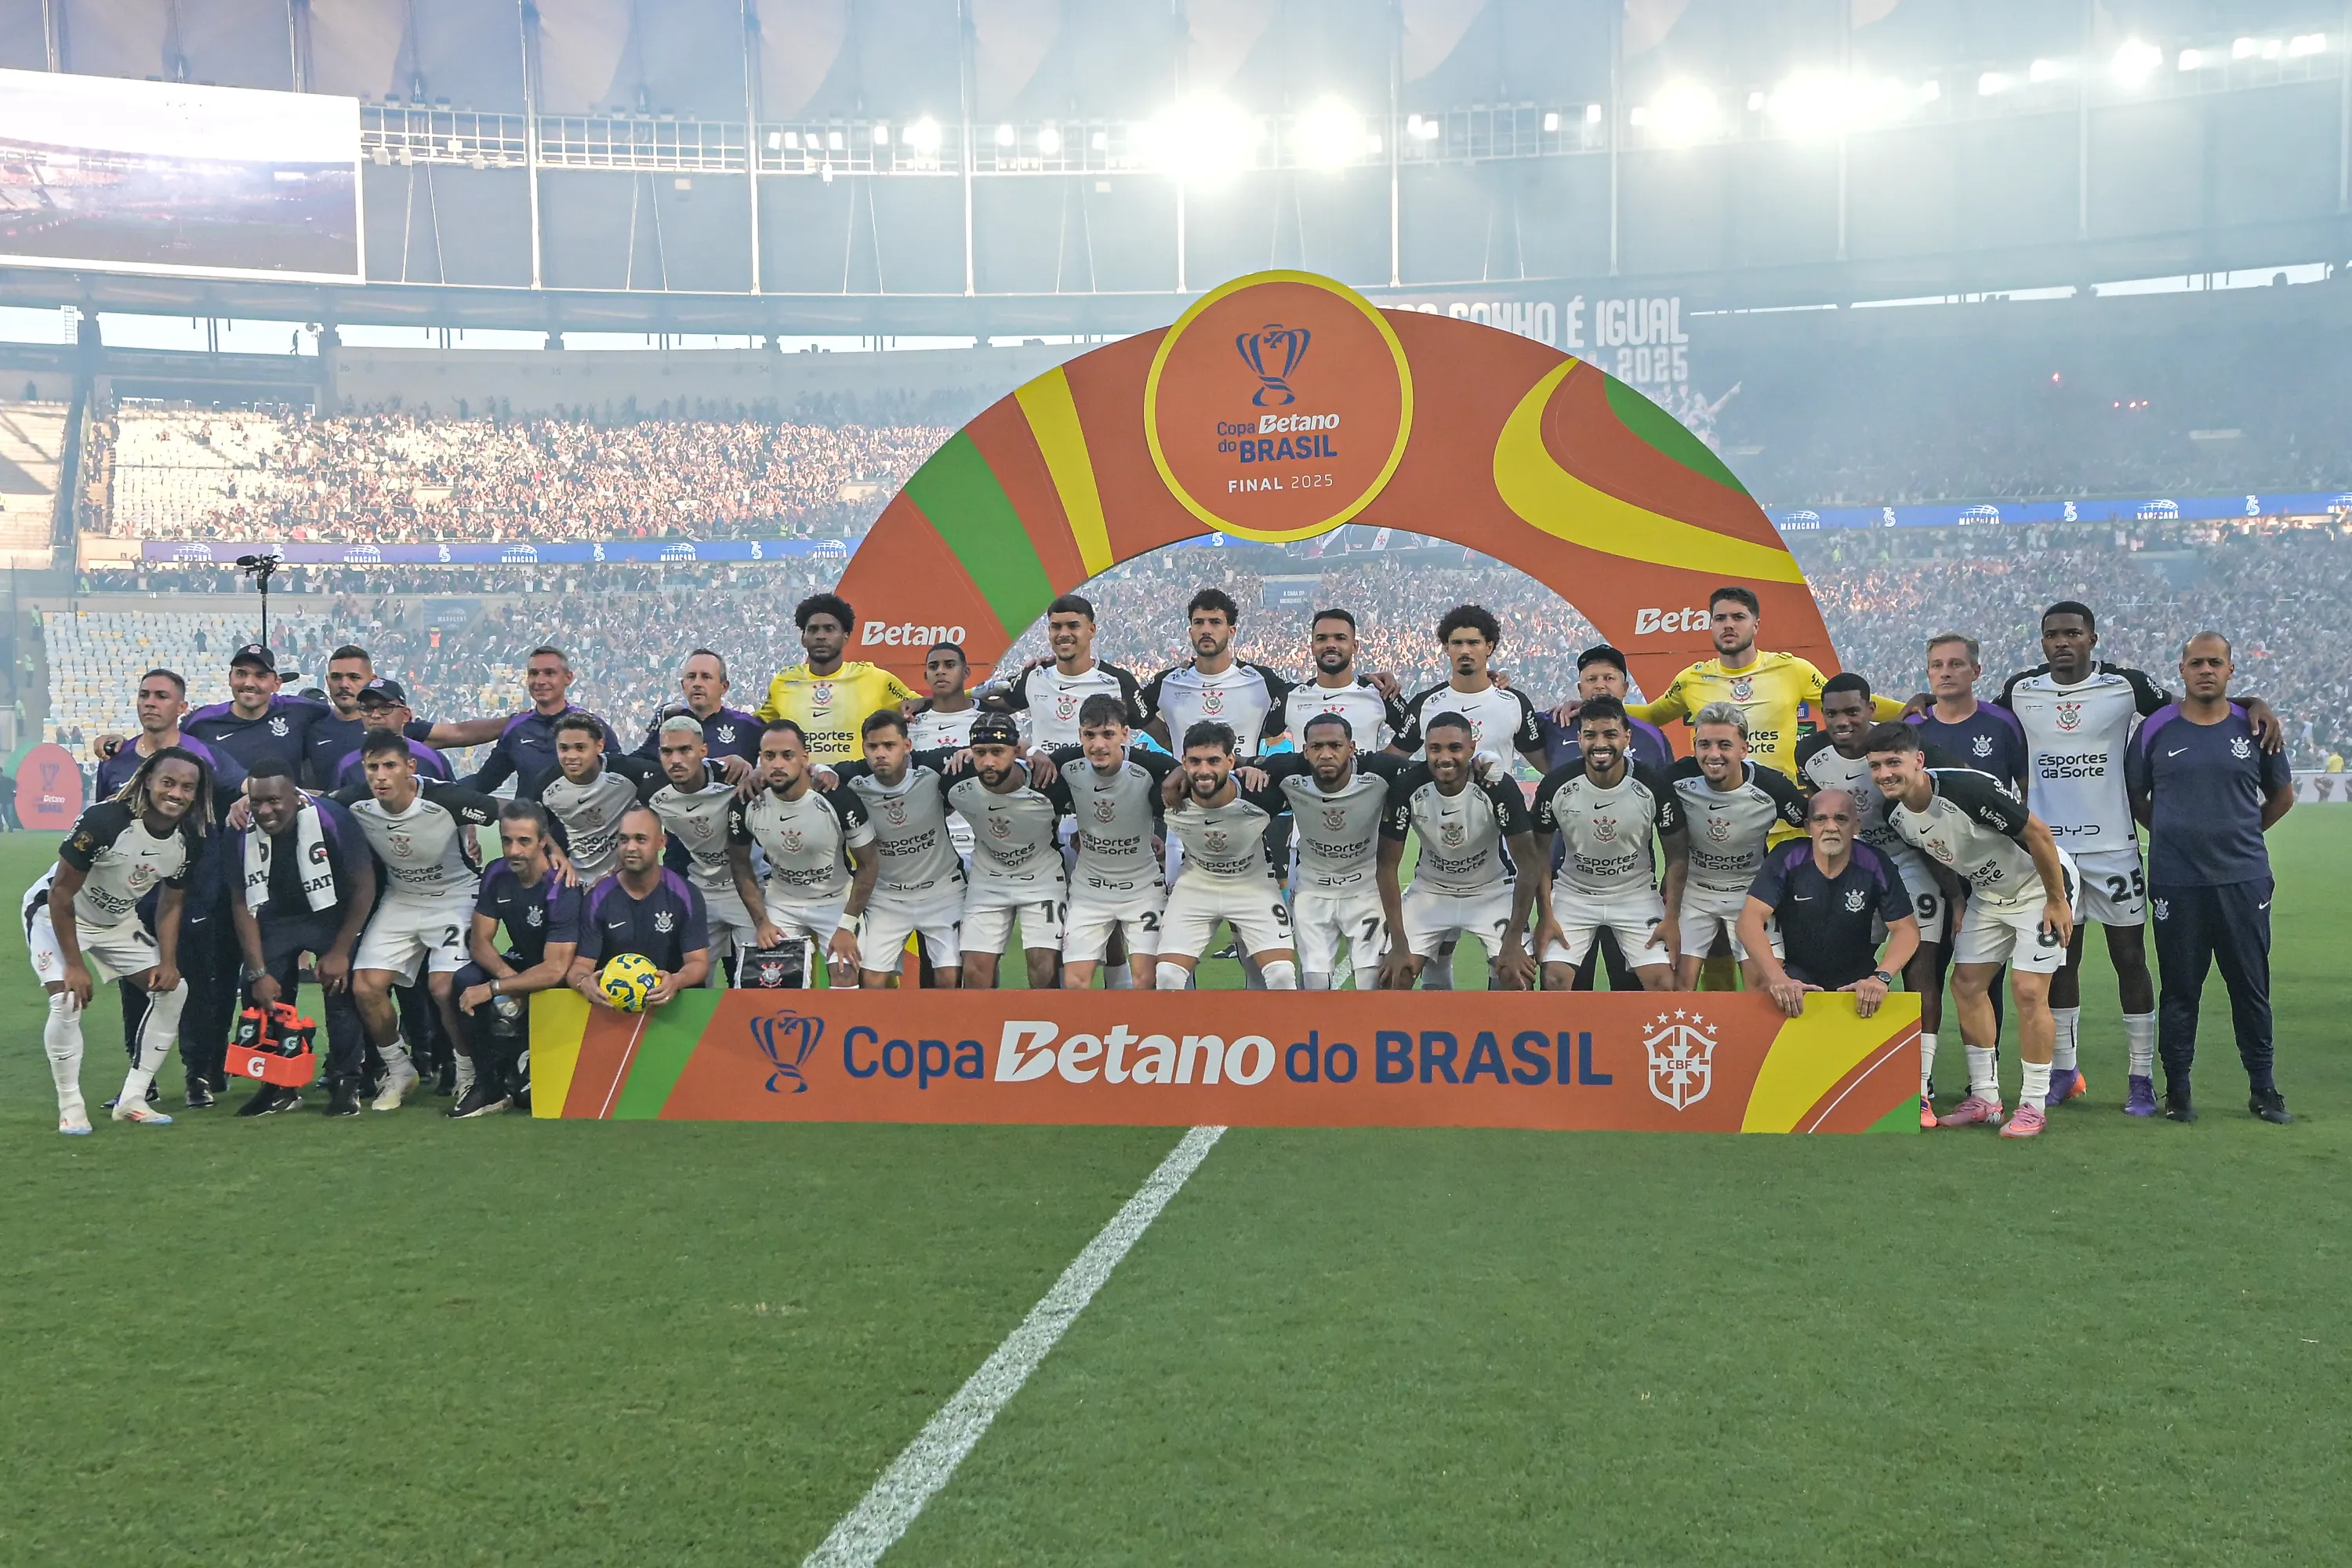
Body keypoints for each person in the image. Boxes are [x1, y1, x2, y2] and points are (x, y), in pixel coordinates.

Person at [1865, 722, 2078, 1140]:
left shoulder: (1969, 789)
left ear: (1918, 761)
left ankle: (2033, 1105)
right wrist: (1960, 902)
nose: (1885, 773)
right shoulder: (1896, 815)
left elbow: (2038, 833)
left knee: (2029, 990)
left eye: (1894, 762)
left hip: (2040, 886)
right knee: (1965, 985)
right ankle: (1986, 1099)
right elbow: (1942, 854)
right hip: (1988, 894)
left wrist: (2057, 899)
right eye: (1876, 766)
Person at [2125, 633, 2296, 1124]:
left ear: (2230, 671)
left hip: (2242, 879)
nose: (2206, 670)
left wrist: (2240, 833)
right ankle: (2178, 1090)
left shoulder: (2256, 726)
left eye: (2215, 662)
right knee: (2180, 988)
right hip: (2176, 881)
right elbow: (2138, 796)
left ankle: (2264, 1089)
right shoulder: (2156, 729)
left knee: (2250, 986)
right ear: (2181, 670)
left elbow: (2281, 797)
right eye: (2196, 662)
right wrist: (2178, 834)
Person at [26, 748, 209, 1132]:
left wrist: (169, 961)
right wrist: (74, 965)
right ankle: (71, 1106)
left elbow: (171, 904)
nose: (176, 793)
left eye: (188, 787)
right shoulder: (105, 821)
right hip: (55, 913)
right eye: (168, 782)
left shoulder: (189, 839)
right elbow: (60, 894)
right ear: (147, 781)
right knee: (66, 998)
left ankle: (133, 1099)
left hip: (116, 922)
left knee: (174, 990)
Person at [93, 669, 246, 1105]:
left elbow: (243, 785)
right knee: (135, 984)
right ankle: (143, 1079)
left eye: (162, 696)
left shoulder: (200, 754)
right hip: (130, 893)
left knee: (193, 983)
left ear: (181, 707)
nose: (151, 702)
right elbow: (102, 820)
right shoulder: (118, 760)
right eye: (144, 694)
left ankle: (198, 1076)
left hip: (193, 888)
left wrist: (245, 796)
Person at [332, 731, 502, 1112]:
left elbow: (505, 810)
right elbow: (311, 802)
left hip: (455, 896)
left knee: (445, 989)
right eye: (372, 767)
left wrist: (550, 848)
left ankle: (467, 1074)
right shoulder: (356, 801)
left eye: (390, 766)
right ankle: (399, 1070)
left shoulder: (447, 798)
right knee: (365, 986)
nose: (380, 776)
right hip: (401, 899)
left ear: (410, 767)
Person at [1798, 673, 1957, 1055]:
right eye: (1832, 713)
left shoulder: (1898, 749)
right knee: (1843, 965)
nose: (1842, 722)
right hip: (1856, 870)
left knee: (1919, 969)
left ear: (1871, 709)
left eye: (1853, 711)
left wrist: (1957, 896)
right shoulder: (1810, 754)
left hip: (1910, 865)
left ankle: (1922, 1080)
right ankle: (1845, 1059)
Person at [1595, 585, 1904, 778]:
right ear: (1711, 625)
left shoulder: (1792, 669)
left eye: (1738, 617)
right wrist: (1590, 706)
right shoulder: (1692, 679)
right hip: (1722, 815)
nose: (1728, 625)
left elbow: (1853, 706)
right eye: (1720, 618)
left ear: (1756, 625)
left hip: (1782, 816)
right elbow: (1651, 716)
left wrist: (1918, 708)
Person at [229, 762, 374, 1118]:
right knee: (261, 994)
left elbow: (364, 884)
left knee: (341, 990)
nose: (265, 811)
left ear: (295, 796)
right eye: (258, 802)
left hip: (331, 913)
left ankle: (346, 1081)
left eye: (275, 801)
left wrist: (340, 950)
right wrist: (257, 970)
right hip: (277, 917)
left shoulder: (332, 819)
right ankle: (278, 1085)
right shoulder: (238, 829)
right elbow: (240, 901)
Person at [1528, 697, 1686, 993]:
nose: (1600, 743)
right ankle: (1568, 1040)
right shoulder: (1556, 785)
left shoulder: (1653, 784)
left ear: (1627, 738)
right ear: (1579, 739)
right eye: (1590, 735)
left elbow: (1677, 854)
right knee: (1554, 980)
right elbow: (1538, 852)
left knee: (1663, 982)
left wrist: (1672, 917)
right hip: (1575, 894)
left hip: (1634, 894)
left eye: (1610, 734)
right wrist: (1546, 914)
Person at [1379, 712, 1542, 989]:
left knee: (1518, 978)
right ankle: (1432, 1024)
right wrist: (1398, 942)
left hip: (1490, 890)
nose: (1444, 757)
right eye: (1435, 749)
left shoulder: (1497, 786)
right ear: (1425, 749)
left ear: (1472, 748)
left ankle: (1496, 1030)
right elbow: (1386, 865)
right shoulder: (1407, 786)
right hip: (1431, 890)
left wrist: (1513, 941)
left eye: (1455, 748)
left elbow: (1529, 865)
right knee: (1395, 977)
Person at [453, 800, 585, 1118]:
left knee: (533, 1100)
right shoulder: (497, 873)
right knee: (464, 980)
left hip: (565, 978)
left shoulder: (561, 886)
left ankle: (528, 1063)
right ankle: (489, 1085)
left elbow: (556, 969)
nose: (514, 850)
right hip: (521, 965)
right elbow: (479, 941)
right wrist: (505, 981)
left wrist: (496, 987)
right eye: (507, 840)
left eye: (524, 841)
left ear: (543, 842)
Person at [1739, 789, 1918, 1021]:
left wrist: (1880, 977)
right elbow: (1749, 920)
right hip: (1797, 977)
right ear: (1807, 826)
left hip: (1856, 980)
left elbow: (1907, 929)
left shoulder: (1875, 862)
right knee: (1767, 989)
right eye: (1820, 819)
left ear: (1856, 827)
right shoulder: (1787, 856)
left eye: (1841, 819)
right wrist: (1777, 977)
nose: (1831, 827)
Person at [1668, 702, 1809, 990]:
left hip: (1751, 892)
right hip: (1694, 891)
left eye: (1724, 745)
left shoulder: (1772, 787)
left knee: (1763, 988)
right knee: (1677, 987)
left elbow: (1813, 823)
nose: (1713, 754)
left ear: (1744, 749)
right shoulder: (1676, 778)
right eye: (1704, 745)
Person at [1152, 720, 1299, 989]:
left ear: (1231, 761)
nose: (1204, 771)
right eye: (1195, 761)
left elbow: (1307, 762)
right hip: (1197, 886)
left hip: (1252, 886)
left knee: (1281, 976)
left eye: (1214, 761)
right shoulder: (1169, 795)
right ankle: (1188, 1031)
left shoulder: (1260, 792)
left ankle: (1273, 1031)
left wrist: (1259, 766)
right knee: (1168, 976)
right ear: (1183, 762)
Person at [830, 709, 969, 988]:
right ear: (864, 748)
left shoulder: (931, 769)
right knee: (872, 979)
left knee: (949, 977)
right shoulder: (852, 780)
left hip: (942, 890)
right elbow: (807, 772)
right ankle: (885, 1032)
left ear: (907, 746)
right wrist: (817, 769)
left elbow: (997, 753)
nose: (880, 753)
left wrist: (968, 753)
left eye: (889, 745)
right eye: (873, 746)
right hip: (887, 897)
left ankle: (945, 1031)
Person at [1267, 713, 1406, 991]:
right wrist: (1252, 770)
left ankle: (1365, 1035)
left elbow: (1432, 770)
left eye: (1335, 745)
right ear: (1305, 751)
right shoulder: (1285, 770)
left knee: (1370, 981)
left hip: (1365, 890)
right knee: (1315, 981)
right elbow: (1236, 768)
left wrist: (1485, 762)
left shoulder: (1381, 771)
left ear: (1351, 748)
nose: (1326, 754)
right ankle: (1320, 1036)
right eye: (1317, 747)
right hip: (1312, 889)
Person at [737, 718, 879, 988]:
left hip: (835, 900)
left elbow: (869, 864)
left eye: (787, 755)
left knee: (844, 976)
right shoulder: (748, 801)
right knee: (774, 982)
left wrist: (847, 926)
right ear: (760, 759)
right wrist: (762, 922)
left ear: (804, 758)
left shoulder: (838, 798)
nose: (778, 764)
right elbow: (740, 864)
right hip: (783, 902)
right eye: (769, 756)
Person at [1051, 695, 1178, 990]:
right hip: (1090, 890)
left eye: (1108, 734)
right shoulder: (1067, 765)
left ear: (1124, 733)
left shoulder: (1150, 767)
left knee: (1147, 980)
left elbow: (1182, 768)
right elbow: (1030, 762)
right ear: (1080, 735)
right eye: (1089, 735)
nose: (1098, 745)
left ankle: (1144, 1036)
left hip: (1142, 889)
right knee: (1075, 983)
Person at [948, 713, 1074, 990]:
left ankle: (1050, 1027)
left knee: (1043, 968)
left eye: (998, 752)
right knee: (974, 971)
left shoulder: (1048, 780)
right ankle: (986, 1031)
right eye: (980, 752)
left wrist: (1035, 749)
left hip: (1041, 878)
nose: (989, 762)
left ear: (1016, 751)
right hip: (988, 880)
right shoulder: (957, 775)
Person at [641, 715, 766, 984]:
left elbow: (783, 773)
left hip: (748, 887)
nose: (676, 760)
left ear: (703, 751)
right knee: (692, 979)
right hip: (703, 890)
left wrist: (757, 770)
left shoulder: (732, 775)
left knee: (753, 979)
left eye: (685, 750)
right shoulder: (652, 792)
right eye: (667, 752)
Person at [568, 805, 712, 1007]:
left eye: (641, 839)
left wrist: (677, 981)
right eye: (624, 839)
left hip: (671, 1009)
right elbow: (581, 965)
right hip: (613, 1010)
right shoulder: (598, 896)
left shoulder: (686, 893)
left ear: (661, 842)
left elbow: (698, 963)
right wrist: (584, 982)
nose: (631, 847)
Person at [754, 593, 920, 766]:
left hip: (856, 784)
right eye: (813, 630)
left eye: (829, 629)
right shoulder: (783, 681)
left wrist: (918, 702)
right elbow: (757, 724)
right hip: (803, 787)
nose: (820, 636)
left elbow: (921, 704)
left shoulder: (875, 677)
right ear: (804, 638)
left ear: (845, 637)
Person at [307, 644, 501, 789]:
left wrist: (516, 721)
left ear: (372, 680)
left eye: (354, 677)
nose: (344, 684)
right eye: (336, 677)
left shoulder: (394, 724)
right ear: (326, 681)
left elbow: (459, 732)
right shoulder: (310, 725)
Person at [1139, 589, 1299, 760]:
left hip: (1242, 785)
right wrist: (1167, 741)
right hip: (1186, 784)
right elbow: (1137, 713)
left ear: (1232, 631)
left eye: (1215, 622)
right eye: (1199, 622)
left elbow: (1294, 709)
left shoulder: (1262, 680)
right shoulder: (1167, 682)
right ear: (1190, 631)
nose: (1206, 630)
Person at [1388, 604, 1549, 771]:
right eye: (1457, 643)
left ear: (1489, 647)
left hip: (1497, 798)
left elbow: (1547, 766)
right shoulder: (1425, 703)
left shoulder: (1516, 703)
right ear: (1446, 648)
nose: (1465, 651)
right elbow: (1389, 761)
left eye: (1473, 643)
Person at [989, 594, 1151, 748]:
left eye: (1073, 626)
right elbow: (987, 707)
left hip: (1100, 776)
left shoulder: (1119, 681)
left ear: (1092, 630)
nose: (1064, 634)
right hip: (1049, 777)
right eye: (1056, 627)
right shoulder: (1033, 675)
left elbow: (1159, 735)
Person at [466, 646, 622, 802]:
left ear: (568, 678)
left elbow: (620, 780)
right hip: (530, 824)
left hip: (580, 825)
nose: (540, 681)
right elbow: (484, 782)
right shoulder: (517, 729)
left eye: (550, 673)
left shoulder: (592, 726)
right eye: (534, 674)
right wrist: (445, 791)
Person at [542, 712, 657, 886]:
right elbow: (535, 820)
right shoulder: (546, 783)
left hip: (625, 879)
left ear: (600, 746)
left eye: (580, 748)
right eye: (564, 748)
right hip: (573, 879)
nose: (571, 756)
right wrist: (554, 849)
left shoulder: (627, 772)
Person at [1273, 608, 1408, 750]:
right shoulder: (1289, 697)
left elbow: (1416, 732)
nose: (1331, 644)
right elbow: (1256, 733)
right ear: (1312, 647)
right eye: (1321, 638)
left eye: (1340, 638)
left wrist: (1382, 764)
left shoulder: (1380, 693)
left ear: (1355, 646)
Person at [1907, 633, 2027, 792]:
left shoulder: (2003, 722)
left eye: (1956, 664)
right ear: (1929, 673)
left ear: (1976, 672)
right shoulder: (1912, 728)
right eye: (1937, 665)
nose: (1945, 673)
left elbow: (2027, 792)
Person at [633, 648, 760, 783]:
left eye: (706, 677)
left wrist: (756, 773)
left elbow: (775, 765)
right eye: (691, 677)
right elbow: (636, 764)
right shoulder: (669, 722)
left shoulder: (747, 726)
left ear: (724, 687)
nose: (697, 684)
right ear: (683, 685)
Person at [332, 678, 452, 791]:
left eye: (386, 707)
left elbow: (455, 805)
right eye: (368, 708)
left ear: (405, 715)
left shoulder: (431, 759)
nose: (375, 715)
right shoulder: (347, 765)